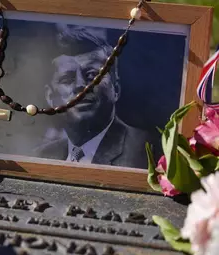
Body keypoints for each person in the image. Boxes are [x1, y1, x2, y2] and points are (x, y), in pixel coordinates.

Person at [34, 25, 159, 169]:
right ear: (50, 97)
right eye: (67, 79)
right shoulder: (41, 156)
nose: (81, 85)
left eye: (92, 75)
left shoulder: (149, 151)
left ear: (116, 88)